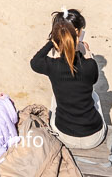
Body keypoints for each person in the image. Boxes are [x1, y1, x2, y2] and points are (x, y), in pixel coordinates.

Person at [30, 8, 106, 149]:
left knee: (56, 96)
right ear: (77, 33)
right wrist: (88, 53)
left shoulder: (52, 66)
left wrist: (52, 42)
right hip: (93, 137)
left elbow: (35, 63)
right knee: (94, 96)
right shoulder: (90, 65)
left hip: (64, 136)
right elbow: (93, 80)